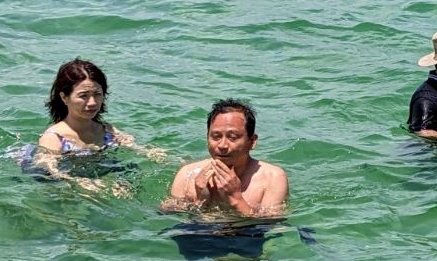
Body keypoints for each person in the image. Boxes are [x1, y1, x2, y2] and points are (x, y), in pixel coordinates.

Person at [29, 58, 158, 193]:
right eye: (83, 96)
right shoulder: (54, 137)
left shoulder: (107, 130)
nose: (92, 103)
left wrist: (150, 153)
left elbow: (132, 144)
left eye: (97, 94)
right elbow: (47, 168)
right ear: (64, 97)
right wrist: (78, 181)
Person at [162, 99, 289, 217]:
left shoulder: (273, 178)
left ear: (252, 141)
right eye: (216, 136)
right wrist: (200, 201)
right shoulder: (187, 174)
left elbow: (270, 225)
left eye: (233, 137)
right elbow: (166, 215)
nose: (222, 145)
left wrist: (236, 198)